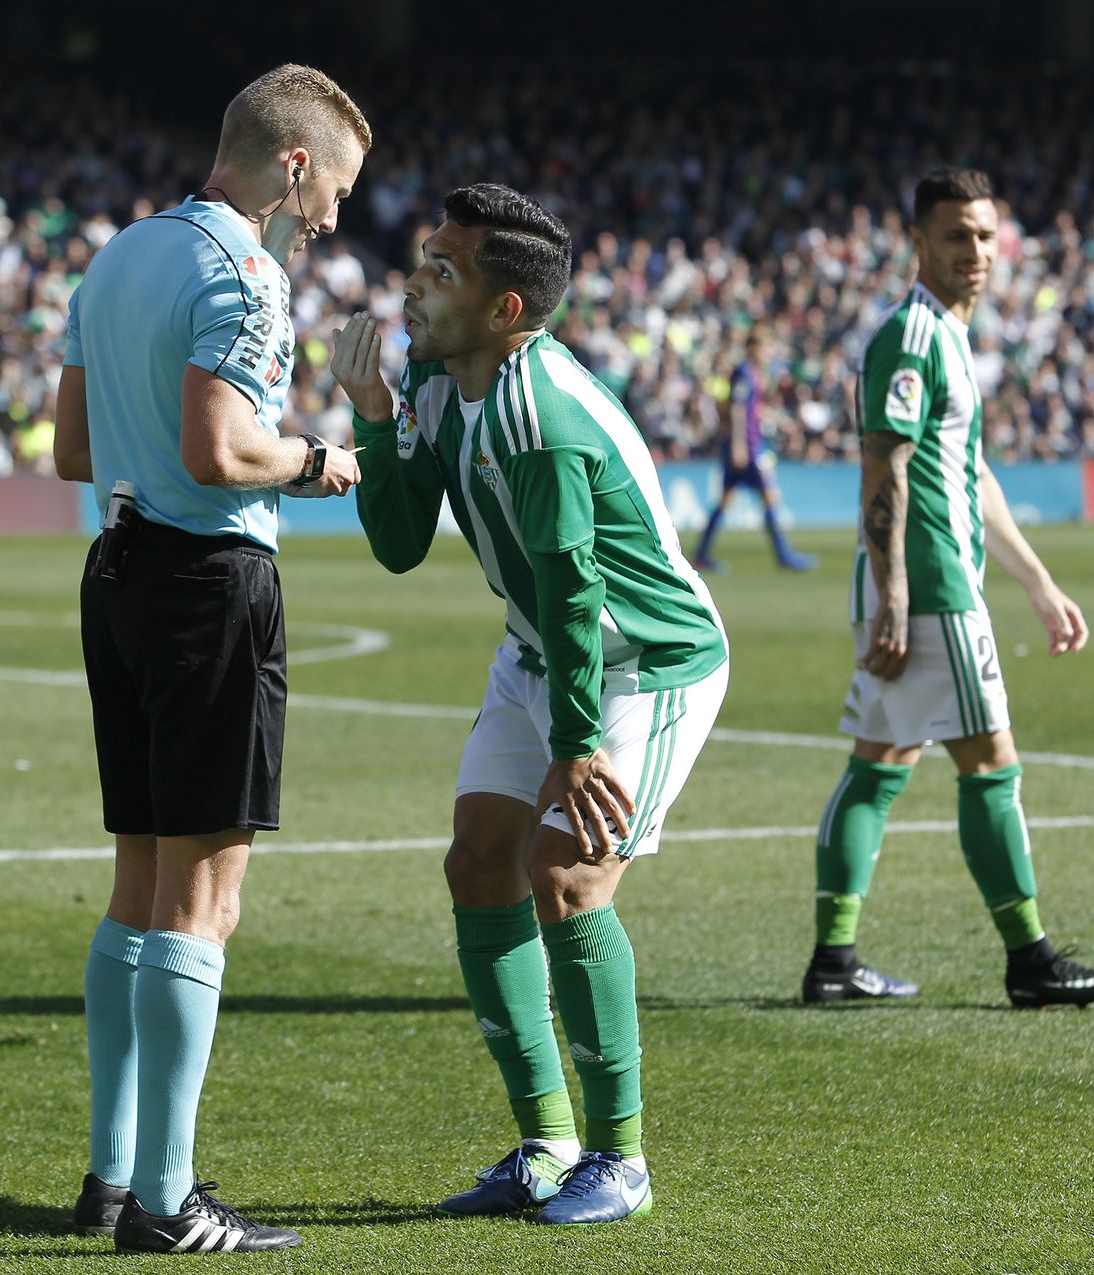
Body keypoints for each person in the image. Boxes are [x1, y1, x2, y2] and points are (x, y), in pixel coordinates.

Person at [330, 183, 729, 1225]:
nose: (415, 281)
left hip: (644, 662)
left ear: (506, 310)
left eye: (444, 270)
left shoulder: (539, 417)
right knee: (477, 864)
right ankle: (545, 1145)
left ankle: (621, 1158)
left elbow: (574, 586)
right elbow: (401, 543)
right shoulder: (428, 370)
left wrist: (579, 745)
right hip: (539, 648)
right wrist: (374, 421)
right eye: (423, 256)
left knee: (566, 875)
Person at [52, 64, 369, 1254]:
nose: (335, 213)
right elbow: (220, 449)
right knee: (202, 899)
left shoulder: (120, 252)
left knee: (136, 888)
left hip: (118, 575)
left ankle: (110, 1174)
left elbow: (72, 447)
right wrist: (313, 458)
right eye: (334, 187)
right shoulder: (247, 272)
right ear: (292, 167)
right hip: (205, 584)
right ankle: (167, 1200)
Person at [802, 167, 1094, 1010]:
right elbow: (886, 463)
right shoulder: (913, 337)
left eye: (986, 235)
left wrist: (1038, 581)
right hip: (933, 590)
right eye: (957, 235)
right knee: (991, 765)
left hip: (920, 586)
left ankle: (833, 961)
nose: (976, 251)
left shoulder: (948, 337)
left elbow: (970, 472)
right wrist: (899, 595)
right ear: (920, 243)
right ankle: (1032, 958)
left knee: (880, 765)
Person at [691, 327, 818, 573]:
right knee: (769, 496)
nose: (769, 353)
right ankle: (784, 555)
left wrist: (783, 421)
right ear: (753, 349)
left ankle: (702, 554)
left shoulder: (757, 375)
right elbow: (738, 409)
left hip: (748, 444)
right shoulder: (743, 374)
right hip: (748, 446)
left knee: (726, 500)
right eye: (765, 347)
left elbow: (754, 410)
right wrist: (739, 445)